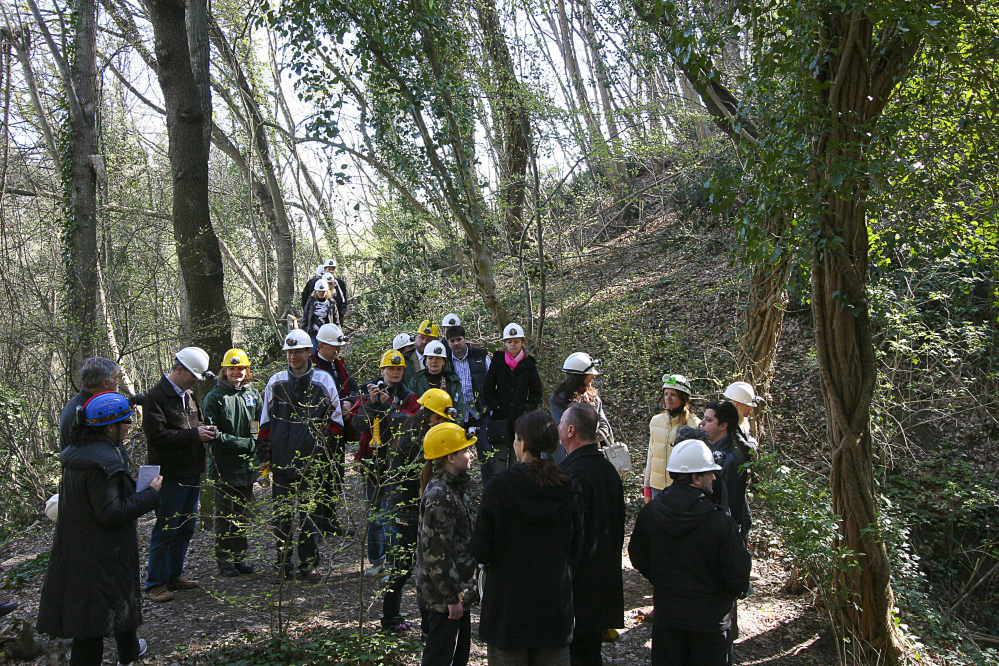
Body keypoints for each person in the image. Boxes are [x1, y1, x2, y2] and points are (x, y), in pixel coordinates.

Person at [38, 392, 163, 666]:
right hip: (101, 554)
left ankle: (129, 654)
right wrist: (150, 494)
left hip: (85, 549)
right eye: (126, 421)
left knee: (119, 604)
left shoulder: (80, 452)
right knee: (90, 626)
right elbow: (111, 512)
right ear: (109, 427)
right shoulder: (102, 463)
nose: (130, 425)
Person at [471, 411, 583, 666]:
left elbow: (480, 549)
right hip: (553, 607)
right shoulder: (570, 487)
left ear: (521, 443)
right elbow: (577, 549)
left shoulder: (499, 486)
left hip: (508, 609)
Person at [628, 439, 751, 666]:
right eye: (709, 473)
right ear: (695, 478)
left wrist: (663, 581)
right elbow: (738, 572)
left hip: (668, 619)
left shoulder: (651, 513)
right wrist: (721, 597)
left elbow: (638, 555)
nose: (714, 477)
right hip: (710, 625)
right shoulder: (719, 520)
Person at [257, 329, 344, 583]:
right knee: (281, 517)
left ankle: (308, 565)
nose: (293, 356)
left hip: (312, 463)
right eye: (289, 352)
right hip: (282, 462)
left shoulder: (324, 380)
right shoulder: (274, 382)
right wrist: (264, 456)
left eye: (298, 351)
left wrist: (320, 449)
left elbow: (336, 422)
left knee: (310, 515)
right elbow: (264, 422)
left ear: (309, 352)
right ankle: (282, 565)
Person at [380, 389, 458, 632]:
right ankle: (393, 619)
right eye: (438, 418)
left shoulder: (421, 431)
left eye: (444, 419)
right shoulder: (417, 438)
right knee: (407, 567)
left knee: (419, 566)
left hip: (414, 506)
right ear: (426, 414)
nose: (441, 423)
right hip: (408, 508)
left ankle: (419, 623)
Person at [143, 347, 215, 602]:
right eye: (192, 375)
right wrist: (194, 435)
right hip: (171, 475)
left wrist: (204, 429)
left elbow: (193, 424)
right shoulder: (156, 397)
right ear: (179, 369)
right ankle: (155, 584)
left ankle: (174, 576)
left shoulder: (188, 394)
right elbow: (156, 437)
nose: (195, 380)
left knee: (185, 527)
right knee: (166, 528)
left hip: (192, 470)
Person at [557, 403, 625, 666]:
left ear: (571, 430)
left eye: (562, 423)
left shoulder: (571, 475)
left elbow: (568, 538)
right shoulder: (608, 471)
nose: (558, 427)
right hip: (602, 583)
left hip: (577, 589)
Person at [351, 349, 420, 577]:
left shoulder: (409, 396)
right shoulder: (367, 391)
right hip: (371, 460)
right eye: (391, 368)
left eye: (399, 368)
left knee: (392, 512)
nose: (396, 372)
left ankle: (393, 562)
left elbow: (409, 422)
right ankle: (376, 560)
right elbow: (358, 424)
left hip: (396, 461)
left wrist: (388, 404)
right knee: (374, 514)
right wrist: (372, 403)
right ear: (382, 370)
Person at [415, 422, 479, 666]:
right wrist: (451, 598)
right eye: (465, 451)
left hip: (456, 593)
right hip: (444, 599)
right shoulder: (439, 495)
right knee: (440, 658)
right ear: (450, 457)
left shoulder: (454, 487)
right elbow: (437, 553)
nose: (470, 455)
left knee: (458, 657)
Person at [201, 348, 261, 577]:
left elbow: (256, 421)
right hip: (223, 467)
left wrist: (254, 440)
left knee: (241, 514)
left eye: (241, 368)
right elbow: (212, 434)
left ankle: (239, 558)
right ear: (224, 371)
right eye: (232, 369)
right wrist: (245, 443)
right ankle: (224, 561)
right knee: (224, 515)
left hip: (247, 465)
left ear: (247, 371)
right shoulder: (214, 397)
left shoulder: (253, 394)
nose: (237, 372)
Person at [311, 323, 360, 536]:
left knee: (335, 475)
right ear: (321, 345)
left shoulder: (339, 364)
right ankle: (316, 523)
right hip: (318, 432)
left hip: (338, 431)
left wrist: (349, 402)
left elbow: (354, 387)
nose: (338, 350)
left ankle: (330, 520)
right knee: (318, 477)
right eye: (334, 347)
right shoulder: (311, 366)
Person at [482, 323, 543, 476]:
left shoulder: (529, 364)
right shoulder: (497, 362)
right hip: (500, 420)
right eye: (509, 342)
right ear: (505, 343)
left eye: (516, 341)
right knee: (499, 464)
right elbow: (488, 389)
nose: (512, 345)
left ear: (522, 342)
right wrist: (496, 406)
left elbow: (536, 393)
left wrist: (526, 409)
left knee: (518, 462)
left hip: (521, 420)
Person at [445, 325, 493, 483]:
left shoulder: (481, 355)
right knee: (456, 455)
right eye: (452, 341)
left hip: (480, 412)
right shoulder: (446, 362)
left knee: (486, 452)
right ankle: (460, 489)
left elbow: (494, 382)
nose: (456, 343)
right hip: (457, 416)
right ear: (448, 342)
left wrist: (492, 407)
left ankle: (490, 489)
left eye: (459, 339)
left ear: (465, 339)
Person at [699, 401, 753, 541]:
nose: (702, 423)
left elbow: (730, 507)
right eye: (704, 417)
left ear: (723, 426)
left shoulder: (731, 460)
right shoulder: (710, 448)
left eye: (709, 420)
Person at [644, 374, 701, 503]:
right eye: (666, 394)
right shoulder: (655, 421)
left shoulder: (695, 424)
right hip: (657, 488)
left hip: (682, 489)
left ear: (683, 397)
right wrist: (647, 488)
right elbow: (651, 456)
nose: (668, 399)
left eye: (673, 395)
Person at [550, 352, 613, 464]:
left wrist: (584, 436)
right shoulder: (558, 401)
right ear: (579, 377)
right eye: (590, 374)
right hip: (568, 461)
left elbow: (605, 428)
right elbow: (561, 435)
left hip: (593, 458)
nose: (593, 376)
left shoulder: (594, 399)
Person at [60, 357, 120, 450]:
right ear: (105, 383)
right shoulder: (83, 411)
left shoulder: (93, 404)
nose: (118, 381)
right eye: (115, 378)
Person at [411, 341, 466, 421]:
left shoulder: (453, 381)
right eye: (430, 358)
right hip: (422, 427)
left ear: (443, 362)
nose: (434, 361)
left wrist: (449, 428)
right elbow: (412, 408)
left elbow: (460, 409)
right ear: (425, 361)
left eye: (438, 358)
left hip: (448, 427)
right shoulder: (415, 381)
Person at [403, 320, 439, 389]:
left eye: (429, 339)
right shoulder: (405, 360)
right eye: (421, 338)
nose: (424, 342)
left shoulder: (442, 360)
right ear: (416, 338)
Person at [303, 279, 335, 350]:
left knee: (325, 353)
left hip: (326, 334)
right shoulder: (311, 302)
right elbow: (305, 317)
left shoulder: (331, 303)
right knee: (312, 352)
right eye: (319, 291)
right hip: (313, 332)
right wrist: (304, 331)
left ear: (326, 291)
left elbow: (336, 318)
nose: (321, 293)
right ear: (316, 291)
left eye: (323, 291)